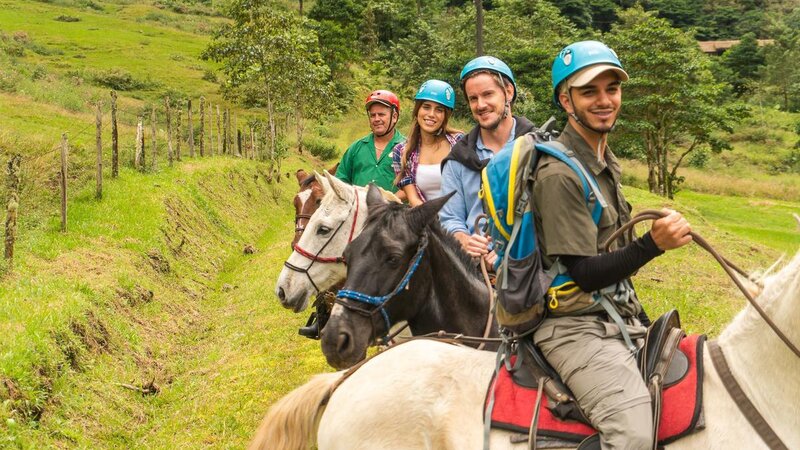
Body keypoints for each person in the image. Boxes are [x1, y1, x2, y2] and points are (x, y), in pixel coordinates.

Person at [531, 40, 692, 449]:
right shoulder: (559, 174)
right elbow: (584, 272)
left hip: (615, 314)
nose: (605, 101)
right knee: (634, 437)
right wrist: (652, 244)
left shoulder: (602, 159)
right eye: (590, 91)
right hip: (573, 327)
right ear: (566, 100)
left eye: (612, 89)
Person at [439, 56, 535, 263]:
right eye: (473, 98)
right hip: (475, 270)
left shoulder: (538, 148)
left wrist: (511, 248)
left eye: (488, 94)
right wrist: (463, 239)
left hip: (530, 266)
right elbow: (450, 218)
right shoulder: (458, 159)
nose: (480, 105)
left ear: (508, 92)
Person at [392, 80, 463, 207]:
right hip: (426, 220)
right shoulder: (402, 151)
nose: (431, 114)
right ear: (417, 110)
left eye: (439, 110)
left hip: (462, 220)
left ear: (445, 115)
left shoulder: (459, 142)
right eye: (426, 107)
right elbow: (414, 200)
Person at [335, 90, 405, 195]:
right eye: (373, 115)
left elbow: (416, 185)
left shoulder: (407, 148)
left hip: (395, 211)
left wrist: (387, 203)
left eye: (381, 114)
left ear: (394, 117)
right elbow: (340, 181)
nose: (376, 119)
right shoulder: (356, 148)